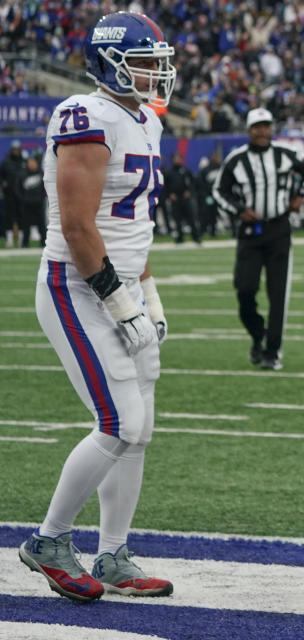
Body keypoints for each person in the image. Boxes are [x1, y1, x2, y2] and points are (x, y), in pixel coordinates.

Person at [18, 11, 176, 603]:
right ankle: (49, 541)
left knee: (140, 431)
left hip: (123, 283)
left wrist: (147, 293)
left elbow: (134, 226)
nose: (154, 74)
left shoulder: (146, 122)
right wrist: (119, 301)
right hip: (77, 286)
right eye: (143, 62)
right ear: (110, 62)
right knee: (120, 422)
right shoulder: (84, 115)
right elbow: (80, 227)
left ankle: (113, 554)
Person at [213, 107, 304, 371]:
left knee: (278, 293)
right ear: (248, 130)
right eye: (257, 127)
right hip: (250, 232)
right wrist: (239, 210)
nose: (262, 131)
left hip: (279, 229)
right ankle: (258, 333)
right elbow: (219, 191)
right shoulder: (237, 160)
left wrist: (301, 193)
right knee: (245, 289)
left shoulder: (285, 154)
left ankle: (272, 351)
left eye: (266, 126)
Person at [161, 151, 200, 244]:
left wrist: (189, 192)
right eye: (176, 158)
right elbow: (165, 185)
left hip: (185, 198)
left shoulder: (186, 170)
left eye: (179, 158)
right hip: (175, 199)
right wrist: (169, 194)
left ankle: (196, 238)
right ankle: (179, 238)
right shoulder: (169, 172)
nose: (177, 160)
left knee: (191, 218)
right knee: (177, 219)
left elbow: (193, 183)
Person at [0, 139, 26, 247]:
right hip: (9, 194)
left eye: (17, 149)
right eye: (14, 149)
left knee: (21, 216)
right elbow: (0, 175)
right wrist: (3, 182)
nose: (16, 151)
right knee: (8, 217)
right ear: (12, 150)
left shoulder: (23, 161)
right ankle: (9, 239)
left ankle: (21, 240)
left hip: (21, 195)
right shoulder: (6, 162)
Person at [20, 154, 46, 247]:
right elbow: (17, 188)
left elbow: (45, 188)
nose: (31, 164)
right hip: (27, 204)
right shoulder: (23, 174)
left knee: (42, 225)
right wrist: (23, 199)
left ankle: (43, 242)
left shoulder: (41, 173)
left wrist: (41, 198)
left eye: (33, 162)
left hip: (38, 203)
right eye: (29, 162)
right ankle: (24, 244)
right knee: (26, 225)